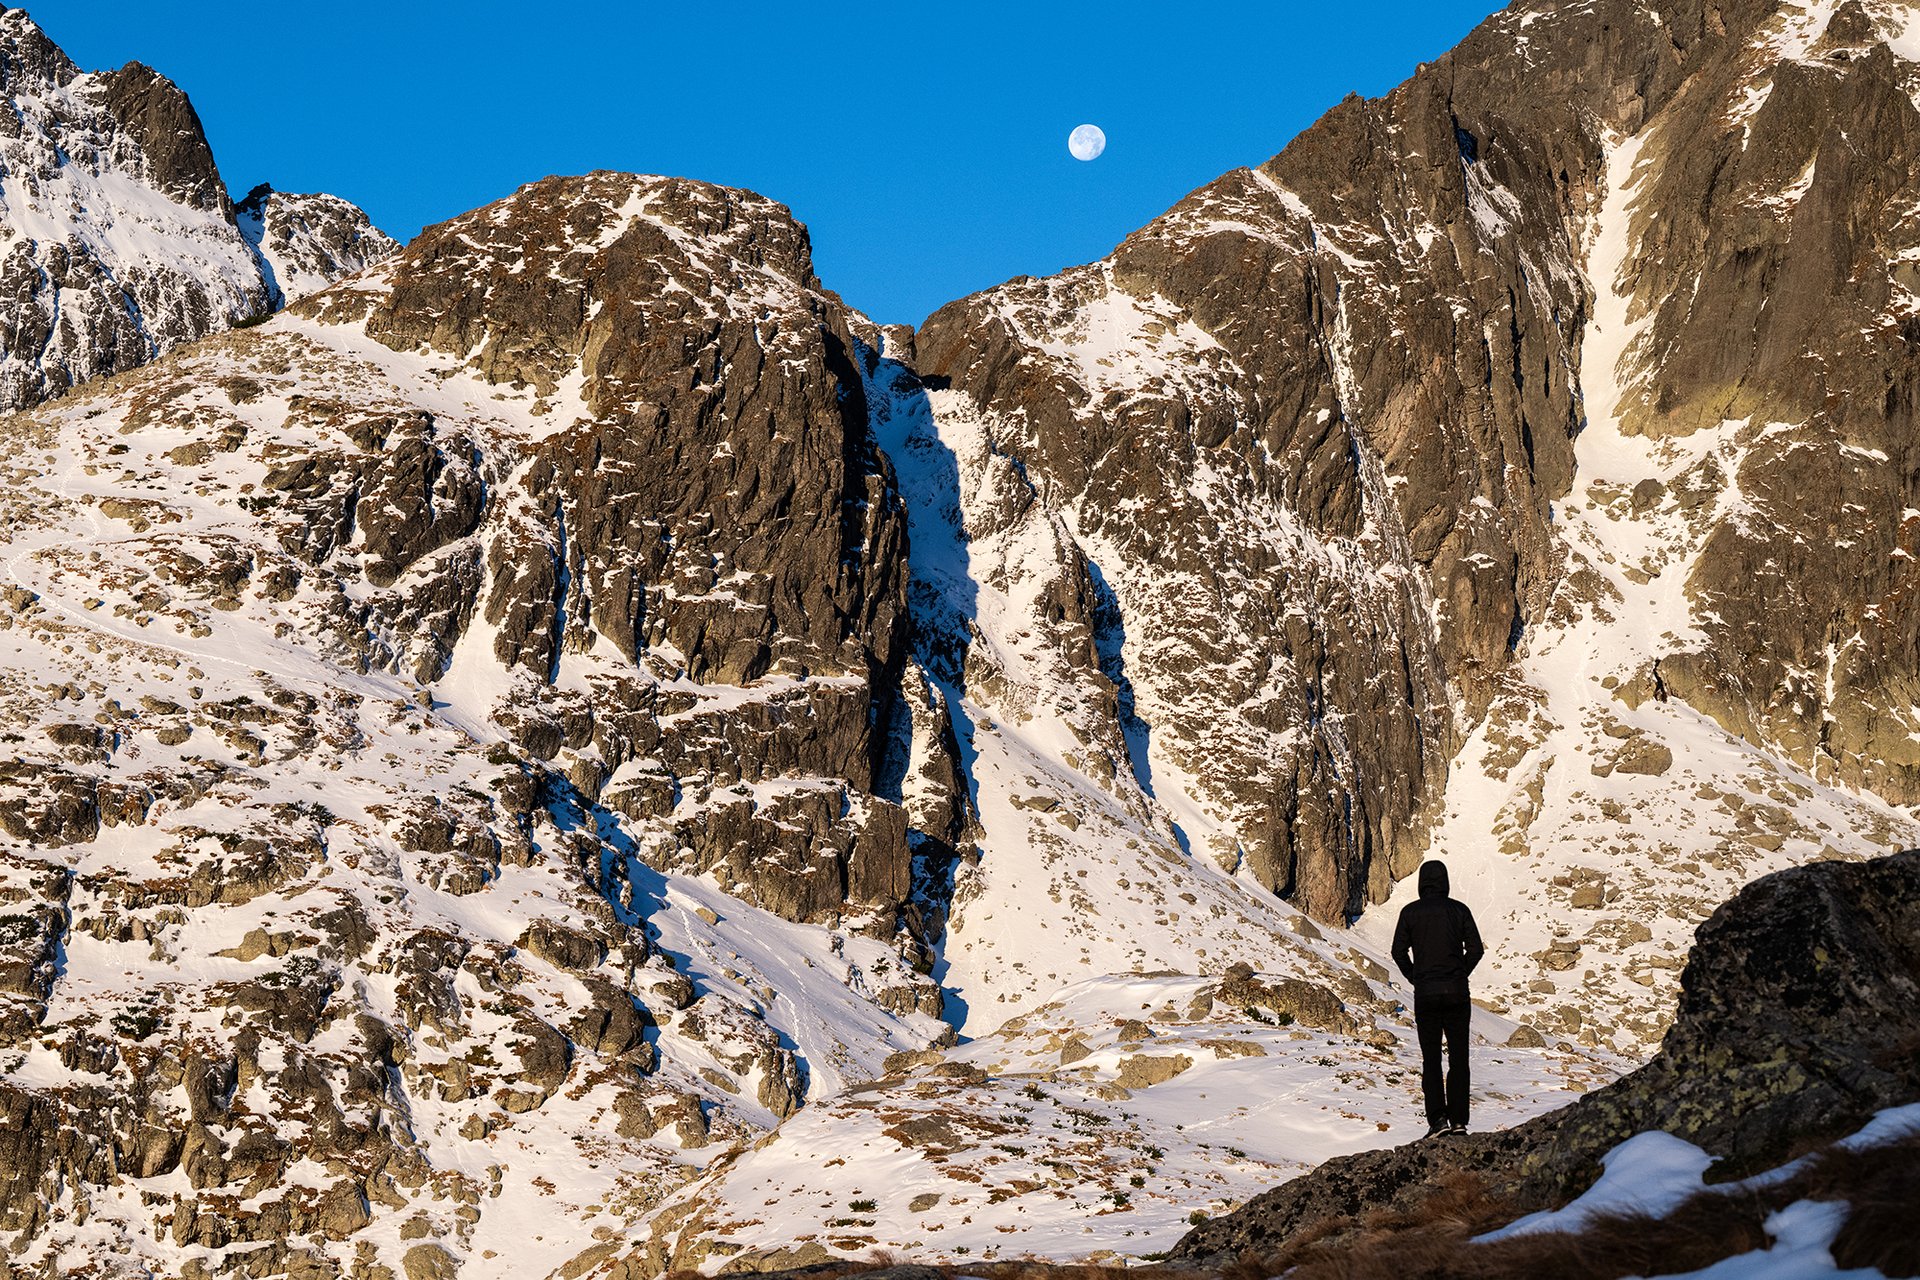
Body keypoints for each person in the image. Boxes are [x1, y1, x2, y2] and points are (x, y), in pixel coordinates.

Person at [1390, 859, 1485, 1137]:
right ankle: (1458, 1122)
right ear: (1444, 882)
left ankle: (1438, 1121)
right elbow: (1476, 950)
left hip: (1426, 994)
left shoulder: (1410, 912)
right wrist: (1459, 973)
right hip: (1457, 993)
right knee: (1459, 1058)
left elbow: (1398, 951)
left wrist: (1415, 976)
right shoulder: (1459, 910)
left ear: (1422, 882)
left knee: (1431, 1059)